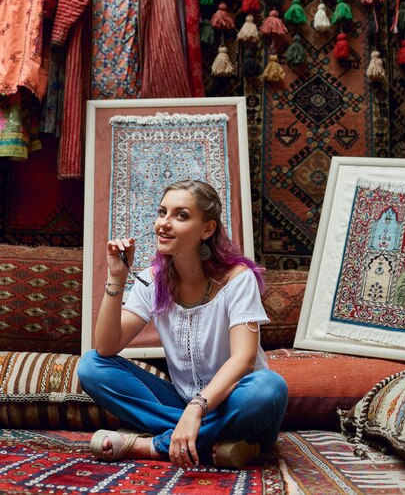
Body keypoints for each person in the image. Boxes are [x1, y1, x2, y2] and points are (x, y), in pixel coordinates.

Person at [78, 179, 288, 469]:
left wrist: (197, 409)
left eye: (181, 215)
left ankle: (153, 445)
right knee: (91, 366)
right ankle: (219, 446)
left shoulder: (238, 278)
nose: (164, 223)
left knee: (269, 387)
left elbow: (244, 359)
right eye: (162, 212)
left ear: (207, 229)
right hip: (180, 404)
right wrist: (116, 278)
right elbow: (106, 346)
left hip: (237, 404)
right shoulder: (152, 279)